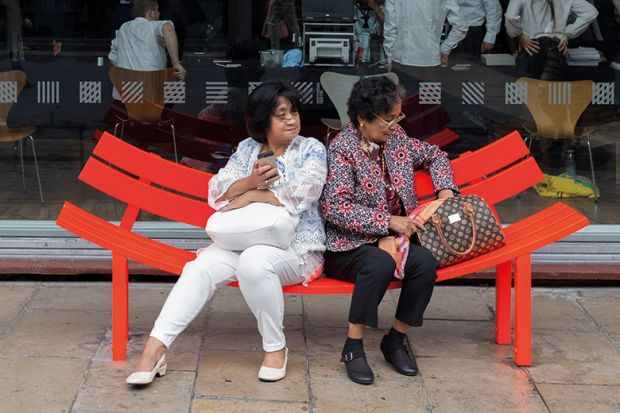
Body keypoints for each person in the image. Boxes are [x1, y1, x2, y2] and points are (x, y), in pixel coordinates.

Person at [126, 79, 327, 385]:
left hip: (296, 249)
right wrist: (249, 183)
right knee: (200, 267)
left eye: (294, 111)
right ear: (263, 121)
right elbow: (217, 192)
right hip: (245, 243)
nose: (292, 118)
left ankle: (275, 348)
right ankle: (153, 351)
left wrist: (250, 196)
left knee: (254, 262)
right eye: (281, 113)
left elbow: (303, 194)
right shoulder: (247, 149)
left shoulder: (311, 149)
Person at [320, 76, 459, 385]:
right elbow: (335, 208)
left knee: (425, 262)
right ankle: (353, 347)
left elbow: (435, 155)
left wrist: (445, 190)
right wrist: (388, 222)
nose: (396, 124)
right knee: (379, 263)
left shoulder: (398, 139)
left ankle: (394, 340)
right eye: (389, 119)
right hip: (350, 246)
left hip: (398, 241)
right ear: (362, 119)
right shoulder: (342, 149)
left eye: (399, 117)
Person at [505, 0, 598, 80]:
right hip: (555, 48)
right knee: (552, 93)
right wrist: (567, 34)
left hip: (533, 47)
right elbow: (591, 12)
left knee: (529, 92)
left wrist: (520, 35)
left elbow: (510, 16)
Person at [108, 0, 186, 82]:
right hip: (151, 88)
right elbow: (168, 28)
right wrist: (176, 64)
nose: (159, 13)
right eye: (157, 10)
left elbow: (113, 56)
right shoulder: (153, 26)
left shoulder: (123, 28)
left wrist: (129, 67)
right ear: (151, 14)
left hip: (125, 90)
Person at [383, 0, 468, 67]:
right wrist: (445, 49)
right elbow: (461, 26)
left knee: (402, 89)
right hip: (431, 60)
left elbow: (390, 28)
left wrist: (390, 57)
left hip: (401, 59)